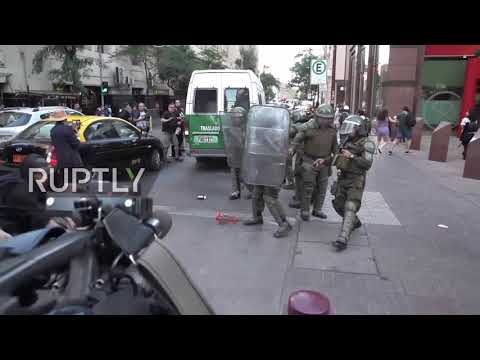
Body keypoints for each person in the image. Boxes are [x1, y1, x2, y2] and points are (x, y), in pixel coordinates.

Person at [242, 105, 292, 238]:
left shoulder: (280, 133)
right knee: (256, 194)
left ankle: (283, 224)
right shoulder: (260, 132)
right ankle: (257, 217)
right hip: (262, 166)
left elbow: (281, 151)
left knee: (270, 198)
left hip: (274, 168)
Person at [331, 116, 375, 251]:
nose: (351, 130)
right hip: (343, 177)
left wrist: (352, 156)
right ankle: (354, 222)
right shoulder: (347, 140)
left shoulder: (367, 143)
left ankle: (343, 239)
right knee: (338, 204)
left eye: (354, 128)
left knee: (350, 206)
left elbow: (367, 164)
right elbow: (337, 155)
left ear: (360, 129)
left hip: (356, 179)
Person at [289, 104, 337, 221]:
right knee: (308, 187)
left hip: (324, 162)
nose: (325, 120)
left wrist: (330, 160)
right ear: (317, 117)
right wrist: (292, 149)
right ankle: (305, 210)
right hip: (309, 160)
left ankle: (317, 209)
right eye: (322, 118)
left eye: (328, 118)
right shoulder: (309, 128)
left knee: (322, 187)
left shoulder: (332, 131)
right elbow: (297, 139)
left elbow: (335, 149)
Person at [50, 110, 84, 187]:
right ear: (64, 119)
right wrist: (76, 135)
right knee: (75, 183)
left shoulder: (53, 130)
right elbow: (76, 144)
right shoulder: (68, 129)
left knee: (65, 184)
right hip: (72, 161)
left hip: (60, 161)